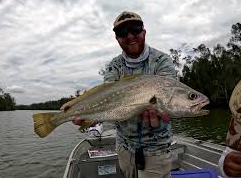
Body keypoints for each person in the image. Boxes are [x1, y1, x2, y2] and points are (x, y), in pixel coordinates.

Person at [61, 11, 176, 178]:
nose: (129, 36)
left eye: (135, 29)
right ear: (117, 39)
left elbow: (168, 94)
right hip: (123, 147)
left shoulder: (162, 60)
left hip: (156, 149)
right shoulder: (114, 65)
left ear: (144, 32)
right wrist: (82, 109)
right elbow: (105, 93)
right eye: (122, 33)